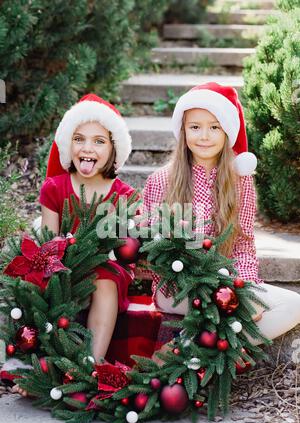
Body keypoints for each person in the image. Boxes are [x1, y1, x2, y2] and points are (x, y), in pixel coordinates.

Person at [143, 82, 300, 347]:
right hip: (176, 287)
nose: (204, 136)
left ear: (226, 131)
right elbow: (151, 249)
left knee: (293, 305)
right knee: (237, 309)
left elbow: (243, 244)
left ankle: (198, 348)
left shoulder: (240, 182)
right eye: (195, 127)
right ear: (183, 131)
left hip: (228, 282)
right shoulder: (161, 181)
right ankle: (212, 341)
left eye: (214, 127)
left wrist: (244, 288)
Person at [15, 94, 136, 391]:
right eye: (79, 139)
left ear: (113, 150)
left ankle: (88, 369)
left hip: (104, 264)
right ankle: (41, 368)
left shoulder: (122, 193)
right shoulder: (55, 188)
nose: (87, 148)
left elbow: (125, 245)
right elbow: (48, 240)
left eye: (99, 141)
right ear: (68, 145)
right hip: (63, 260)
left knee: (105, 282)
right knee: (48, 282)